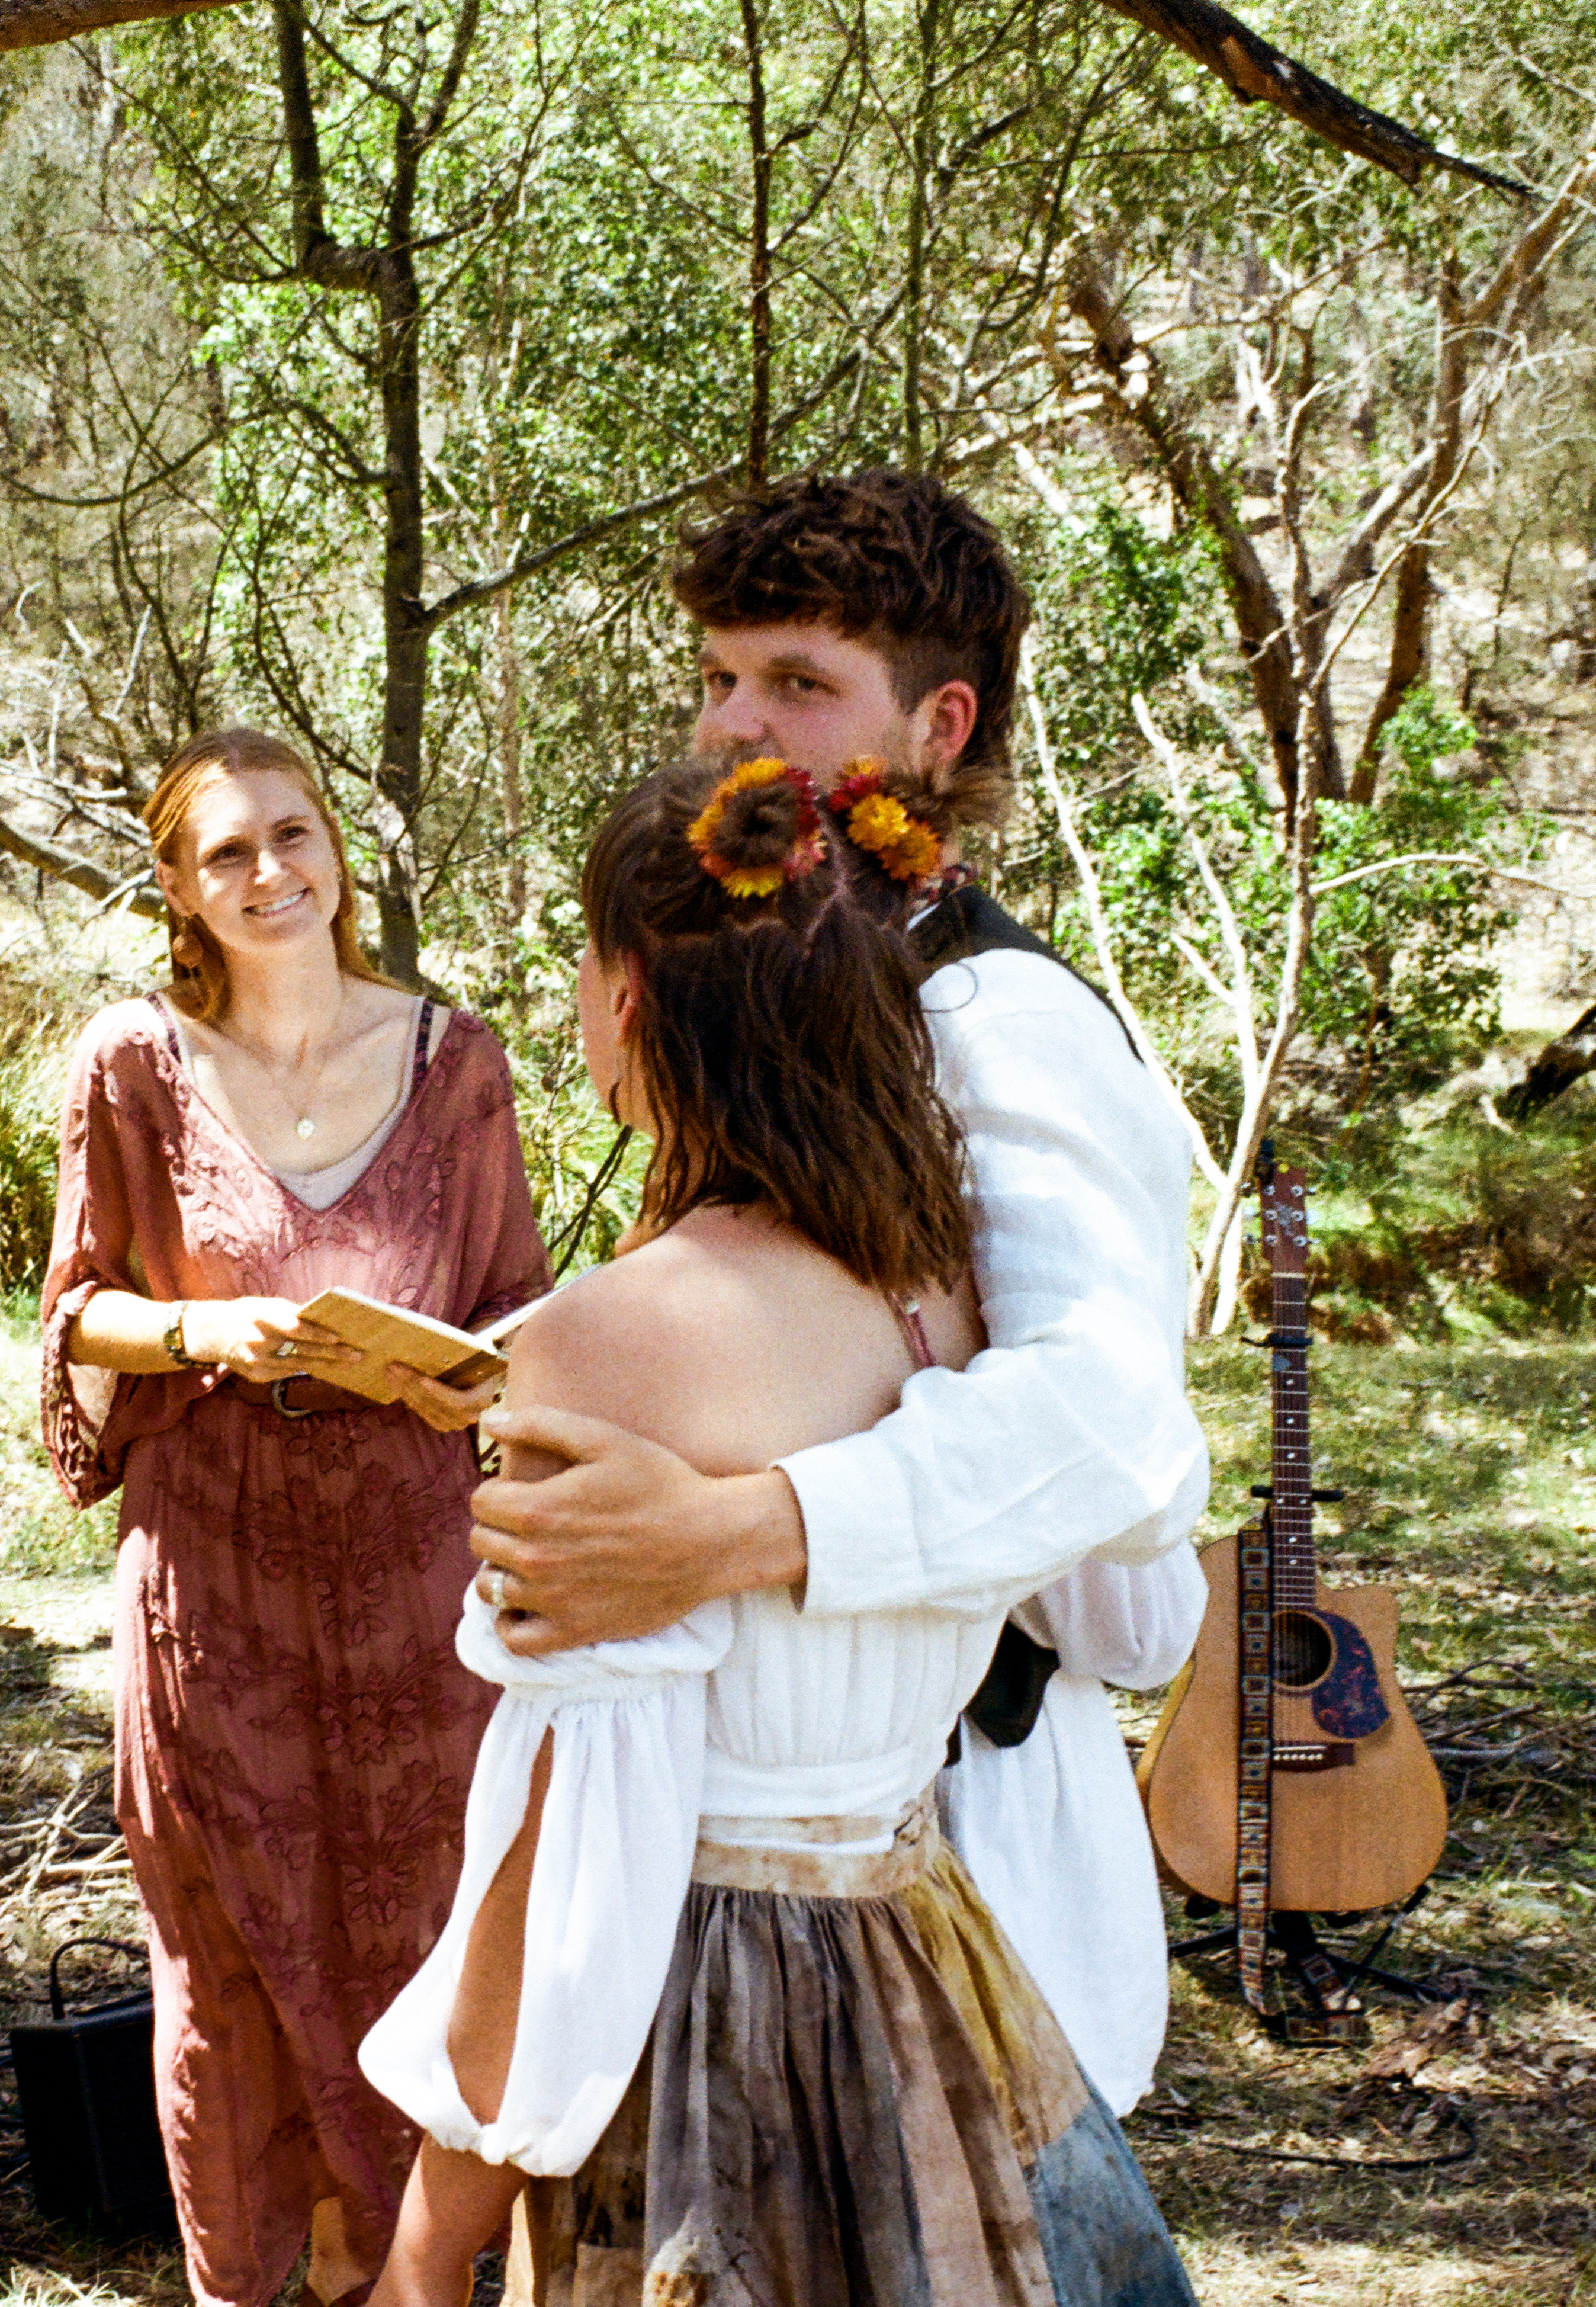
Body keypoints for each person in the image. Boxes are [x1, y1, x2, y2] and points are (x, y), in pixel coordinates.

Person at [347, 752, 1220, 2307]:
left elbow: (568, 1874)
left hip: (712, 2041)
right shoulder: (943, 1303)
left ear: (625, 1005)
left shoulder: (610, 1342)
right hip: (929, 1972)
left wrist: (421, 2258)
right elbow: (1135, 1596)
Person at [471, 470, 1210, 2115]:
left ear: (939, 727)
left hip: (954, 1857)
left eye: (799, 684)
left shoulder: (1000, 1019)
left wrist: (726, 1531)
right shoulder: (788, 991)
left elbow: (1111, 1428)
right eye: (720, 678)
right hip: (736, 1872)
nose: (736, 729)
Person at [37, 727, 551, 2307]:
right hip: (217, 1570)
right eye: (228, 854)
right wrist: (208, 1333)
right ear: (180, 890)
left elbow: (520, 1299)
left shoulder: (457, 1059)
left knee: (420, 1914)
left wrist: (479, 1364)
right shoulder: (135, 1063)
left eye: (294, 835)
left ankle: (384, 2267)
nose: (272, 874)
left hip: (418, 1573)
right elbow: (76, 1321)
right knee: (230, 1938)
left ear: (339, 847)